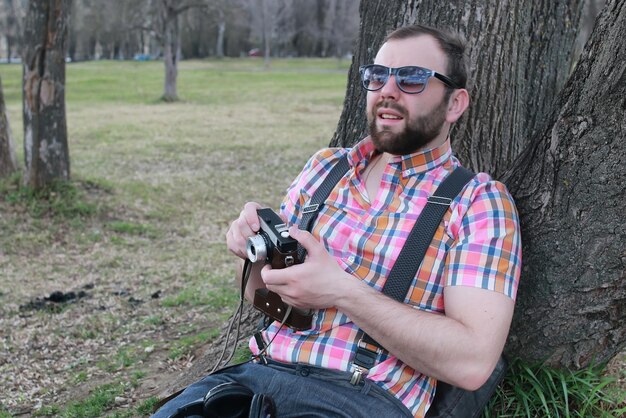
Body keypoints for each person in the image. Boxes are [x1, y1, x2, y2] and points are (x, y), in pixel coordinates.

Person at [153, 24, 521, 418]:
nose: (388, 90)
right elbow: (262, 296)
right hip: (255, 379)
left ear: (454, 103)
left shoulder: (478, 202)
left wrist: (342, 291)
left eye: (412, 79)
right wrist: (254, 252)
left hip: (359, 399)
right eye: (377, 76)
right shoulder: (326, 168)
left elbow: (472, 363)